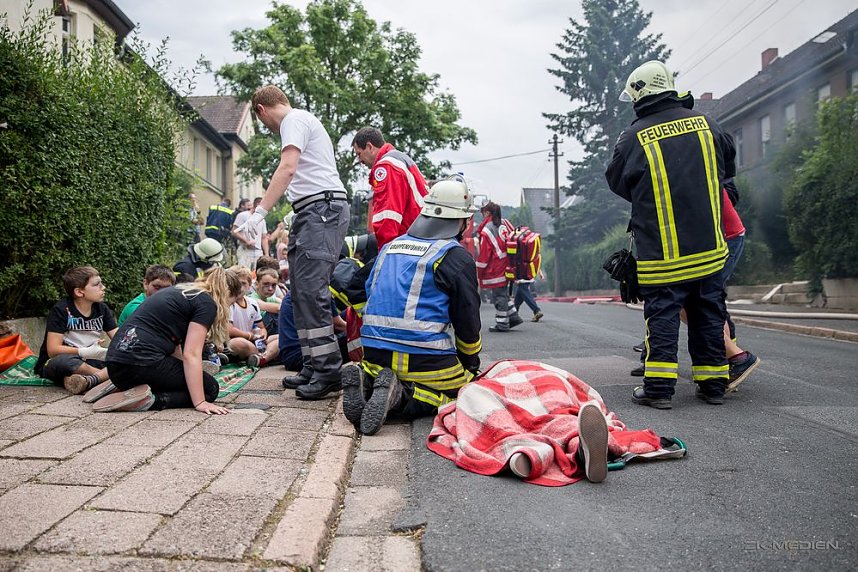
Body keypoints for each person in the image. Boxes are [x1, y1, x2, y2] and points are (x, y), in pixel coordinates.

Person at [605, 60, 736, 409]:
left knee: (662, 316)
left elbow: (617, 181)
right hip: (709, 249)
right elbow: (727, 168)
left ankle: (659, 389)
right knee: (709, 314)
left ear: (639, 95)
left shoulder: (633, 137)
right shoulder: (707, 124)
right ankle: (714, 386)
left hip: (663, 253)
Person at [342, 176, 482, 436]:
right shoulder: (456, 257)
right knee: (463, 394)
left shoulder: (390, 247)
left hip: (375, 356)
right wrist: (470, 364)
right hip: (424, 361)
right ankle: (400, 397)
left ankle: (368, 382)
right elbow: (467, 321)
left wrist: (370, 316)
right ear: (461, 220)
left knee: (381, 374)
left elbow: (353, 287)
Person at [240, 85, 350, 400]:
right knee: (300, 293)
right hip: (313, 211)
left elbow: (287, 168)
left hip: (321, 211)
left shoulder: (293, 121)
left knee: (312, 291)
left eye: (262, 123)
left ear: (261, 111)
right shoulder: (301, 122)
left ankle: (327, 371)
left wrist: (260, 212)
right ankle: (313, 365)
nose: (267, 128)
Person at [97, 267, 241, 413]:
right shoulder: (206, 303)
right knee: (210, 388)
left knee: (190, 380)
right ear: (228, 294)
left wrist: (182, 373)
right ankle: (148, 401)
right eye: (232, 303)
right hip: (139, 365)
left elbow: (176, 346)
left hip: (115, 365)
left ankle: (123, 389)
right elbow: (191, 354)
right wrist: (200, 402)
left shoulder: (179, 292)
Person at [34, 266, 118, 395]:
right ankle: (105, 378)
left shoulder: (102, 309)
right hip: (61, 360)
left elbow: (118, 338)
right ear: (79, 292)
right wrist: (83, 351)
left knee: (122, 359)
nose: (103, 287)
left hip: (91, 360)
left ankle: (83, 381)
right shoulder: (62, 309)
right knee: (64, 363)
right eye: (97, 284)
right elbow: (52, 350)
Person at [351, 127, 428, 248]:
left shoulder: (386, 166)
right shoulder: (400, 159)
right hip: (419, 237)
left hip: (407, 243)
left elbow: (388, 217)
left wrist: (385, 252)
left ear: (370, 147)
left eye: (359, 154)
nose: (360, 160)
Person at [476, 202, 522, 332]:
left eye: (483, 212)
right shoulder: (505, 222)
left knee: (498, 295)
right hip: (509, 263)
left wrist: (478, 271)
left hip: (496, 266)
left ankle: (502, 323)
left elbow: (484, 255)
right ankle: (513, 317)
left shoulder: (487, 230)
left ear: (487, 213)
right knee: (503, 292)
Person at [226, 265, 266, 364]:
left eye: (243, 283)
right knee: (238, 343)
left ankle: (259, 357)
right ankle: (262, 356)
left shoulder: (253, 303)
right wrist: (249, 335)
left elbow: (262, 327)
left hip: (252, 341)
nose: (240, 287)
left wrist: (262, 335)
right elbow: (229, 330)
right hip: (235, 342)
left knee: (277, 339)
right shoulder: (229, 303)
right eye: (236, 283)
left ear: (249, 285)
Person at [232, 198, 268, 270]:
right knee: (244, 272)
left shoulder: (262, 220)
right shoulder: (243, 215)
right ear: (256, 205)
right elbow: (234, 231)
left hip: (258, 251)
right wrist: (246, 241)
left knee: (257, 272)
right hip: (245, 250)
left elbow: (264, 238)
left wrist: (266, 254)